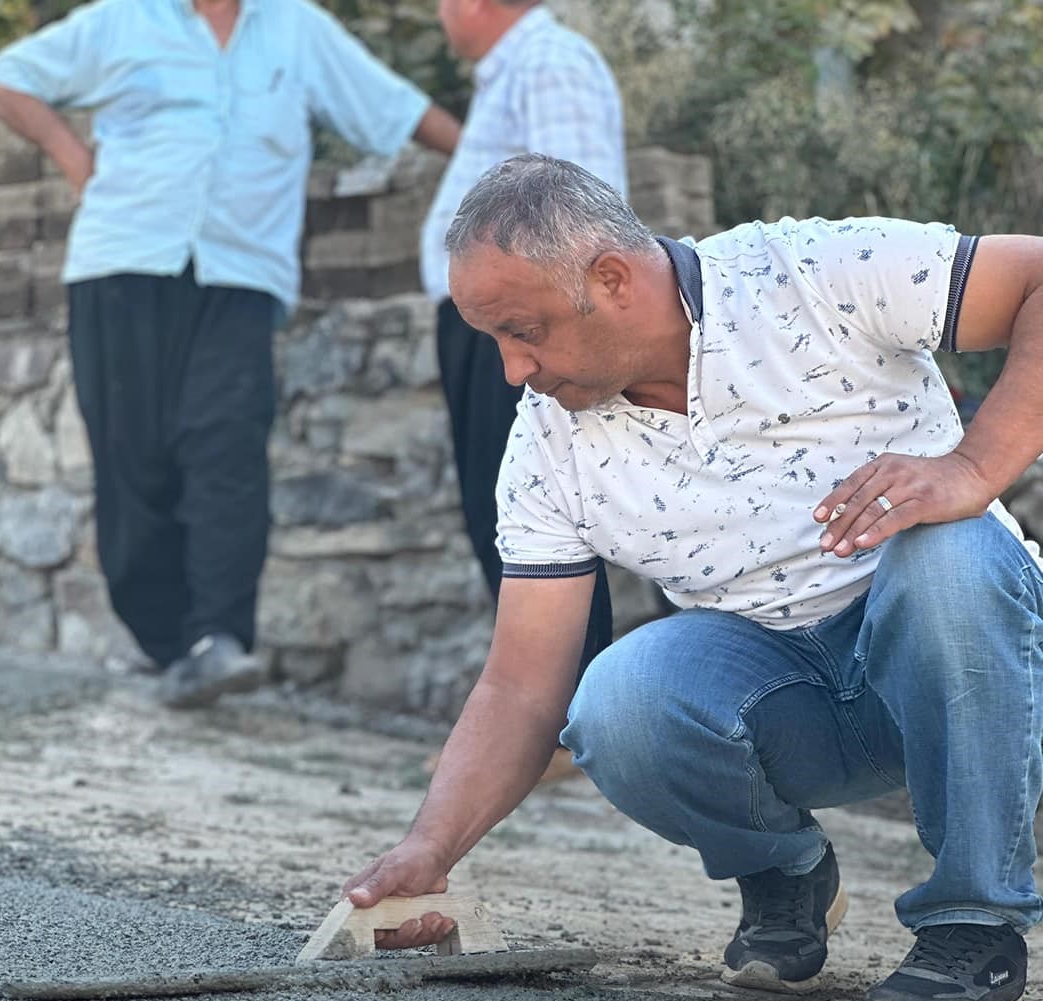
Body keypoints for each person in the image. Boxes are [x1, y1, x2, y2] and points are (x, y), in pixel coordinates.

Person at [344, 154, 1043, 1000]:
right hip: (789, 698)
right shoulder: (546, 445)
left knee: (944, 555)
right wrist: (432, 846)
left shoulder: (814, 273)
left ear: (610, 279)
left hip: (964, 663)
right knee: (614, 700)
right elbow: (523, 687)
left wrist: (974, 465)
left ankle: (974, 927)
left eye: (523, 331)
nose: (511, 370)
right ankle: (787, 872)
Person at [0, 0, 459, 709]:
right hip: (122, 265)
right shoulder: (120, 20)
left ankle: (216, 640)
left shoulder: (296, 27)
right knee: (131, 461)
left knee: (228, 449)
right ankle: (167, 642)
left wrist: (503, 156)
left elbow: (393, 106)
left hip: (239, 278)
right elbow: (2, 76)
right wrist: (74, 157)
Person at [420, 0, 625, 689]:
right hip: (497, 321)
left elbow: (579, 218)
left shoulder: (549, 63)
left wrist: (543, 333)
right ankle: (549, 720)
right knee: (503, 509)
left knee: (537, 514)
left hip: (522, 324)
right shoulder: (517, 70)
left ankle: (566, 721)